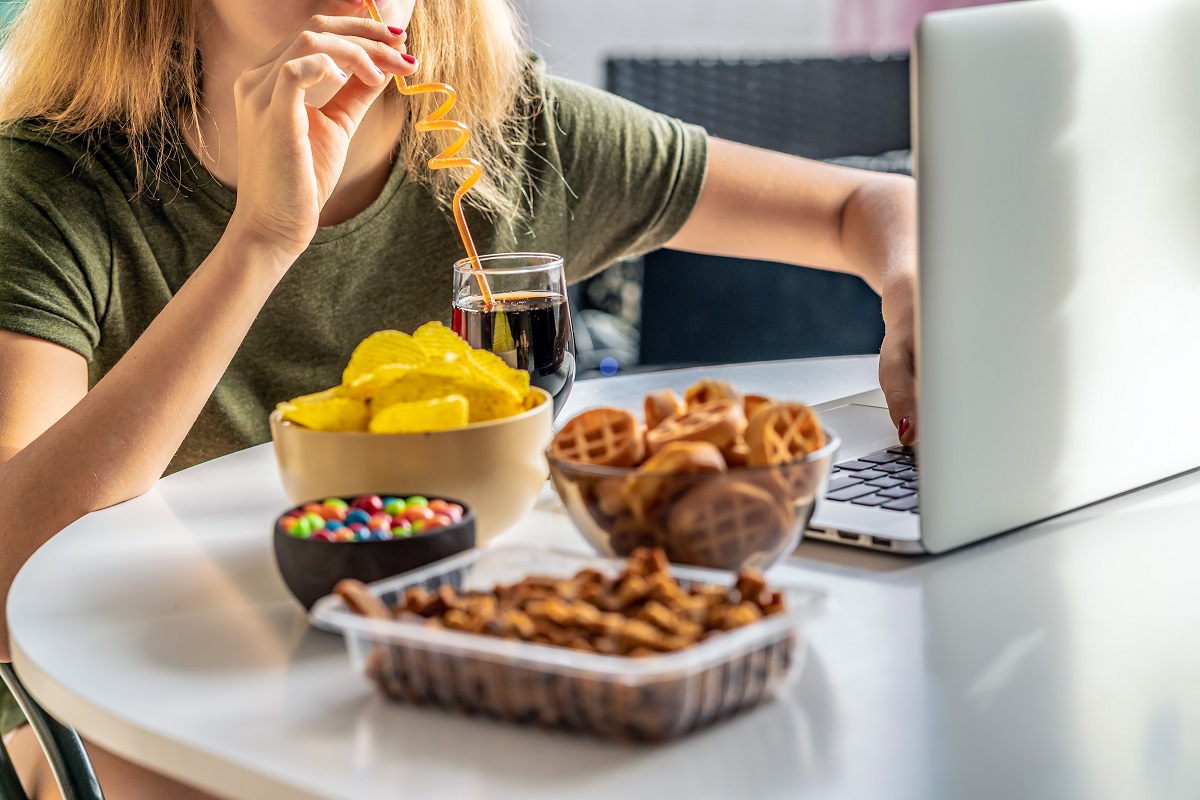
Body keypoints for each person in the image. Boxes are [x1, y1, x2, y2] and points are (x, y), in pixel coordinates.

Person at [0, 0, 917, 795]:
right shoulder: (54, 184)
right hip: (134, 691)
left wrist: (914, 297)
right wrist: (262, 242)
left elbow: (865, 209)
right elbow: (6, 585)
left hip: (441, 678)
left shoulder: (511, 135)